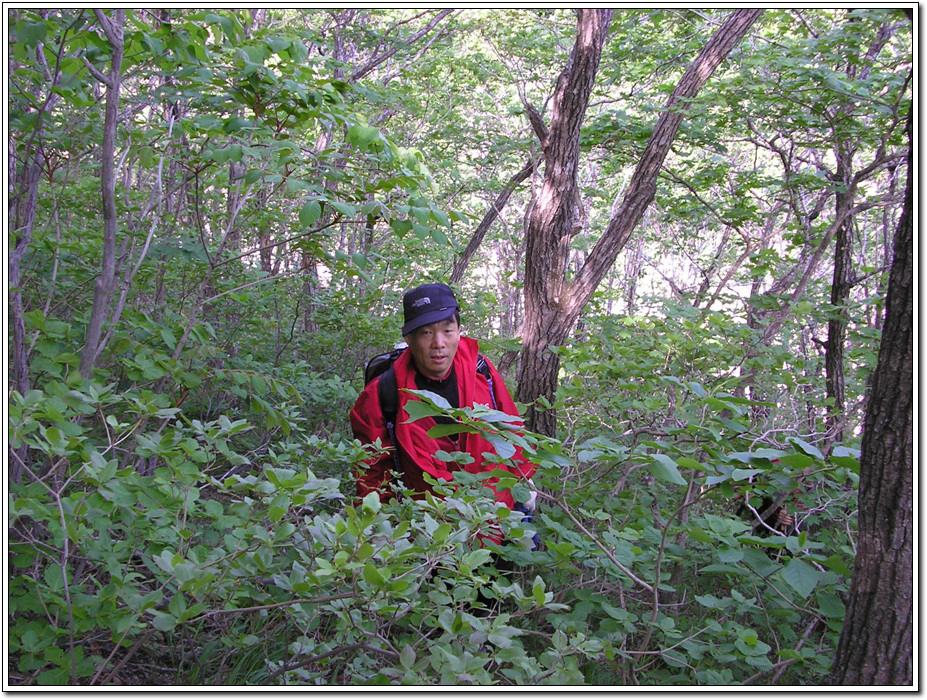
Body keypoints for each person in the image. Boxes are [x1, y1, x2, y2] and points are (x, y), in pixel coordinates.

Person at [350, 283, 536, 512]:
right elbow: (372, 472)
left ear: (459, 332)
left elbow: (510, 427)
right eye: (426, 332)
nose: (438, 343)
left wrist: (524, 478)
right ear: (408, 338)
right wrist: (377, 524)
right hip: (430, 533)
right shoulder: (383, 393)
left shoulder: (481, 371)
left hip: (495, 519)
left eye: (447, 330)